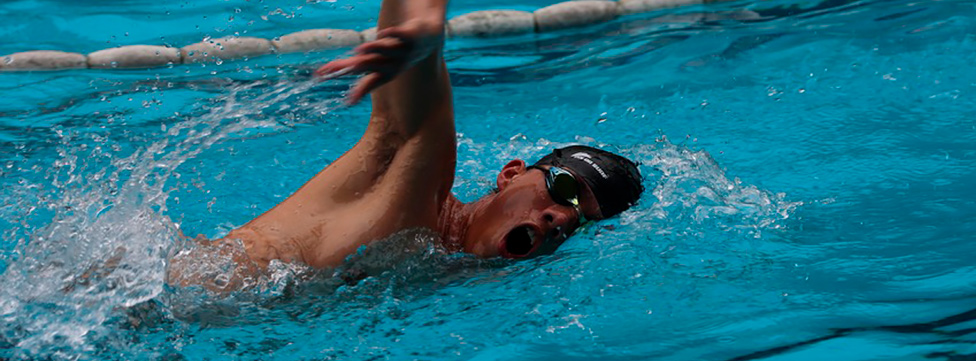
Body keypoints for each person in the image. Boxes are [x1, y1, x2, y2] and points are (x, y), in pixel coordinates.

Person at [170, 0, 644, 291]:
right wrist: (425, 32)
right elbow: (412, 116)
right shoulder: (412, 182)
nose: (562, 218)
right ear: (509, 174)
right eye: (563, 189)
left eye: (582, 221)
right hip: (146, 300)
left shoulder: (439, 267)